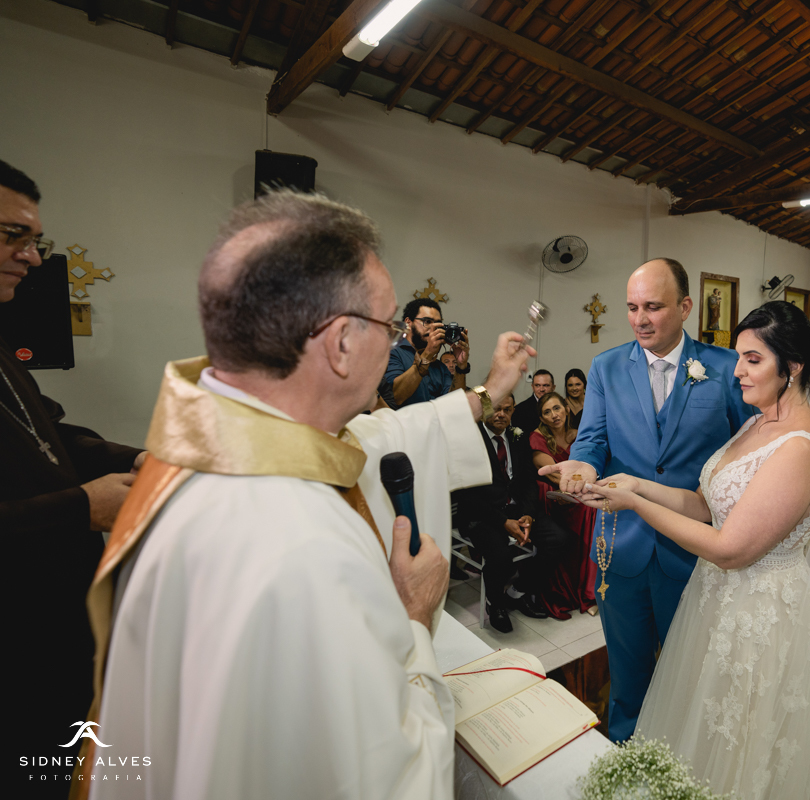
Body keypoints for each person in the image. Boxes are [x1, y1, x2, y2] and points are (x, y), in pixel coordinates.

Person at [83, 191, 534, 799]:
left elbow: (377, 436)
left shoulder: (215, 442)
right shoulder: (303, 553)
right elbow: (385, 777)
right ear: (342, 343)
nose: (396, 340)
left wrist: (486, 392)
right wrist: (414, 616)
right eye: (389, 322)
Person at [579, 301, 810, 800]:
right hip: (720, 606)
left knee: (746, 753)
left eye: (753, 360)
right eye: (738, 357)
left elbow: (729, 547)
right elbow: (705, 504)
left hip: (762, 619)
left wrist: (633, 504)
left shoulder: (800, 447)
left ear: (793, 367)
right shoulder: (758, 423)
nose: (736, 371)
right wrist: (636, 484)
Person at [536, 257, 754, 742]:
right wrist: (584, 464)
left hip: (696, 550)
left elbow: (748, 446)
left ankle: (688, 762)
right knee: (627, 676)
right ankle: (628, 763)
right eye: (633, 307)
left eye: (653, 307)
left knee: (696, 675)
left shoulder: (722, 369)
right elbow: (591, 438)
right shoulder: (607, 366)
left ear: (685, 306)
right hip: (623, 545)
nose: (640, 319)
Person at [0, 161, 148, 793]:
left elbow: (52, 432)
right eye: (12, 235)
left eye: (35, 240)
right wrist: (78, 509)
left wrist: (136, 458)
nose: (32, 258)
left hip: (50, 633)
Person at [452, 394, 571, 632]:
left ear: (513, 410)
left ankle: (518, 593)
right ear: (486, 410)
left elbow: (528, 481)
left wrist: (528, 514)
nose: (501, 415)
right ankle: (494, 603)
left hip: (516, 508)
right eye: (497, 409)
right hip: (482, 514)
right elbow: (468, 496)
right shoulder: (468, 441)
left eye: (507, 410)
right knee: (501, 556)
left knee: (559, 539)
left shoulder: (517, 437)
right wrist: (503, 521)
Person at [529, 392, 599, 619]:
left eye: (557, 408)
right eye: (547, 412)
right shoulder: (537, 438)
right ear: (542, 417)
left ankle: (593, 588)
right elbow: (555, 478)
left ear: (566, 408)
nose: (554, 415)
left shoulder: (578, 435)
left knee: (597, 508)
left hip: (579, 492)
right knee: (590, 509)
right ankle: (585, 593)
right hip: (555, 498)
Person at [377, 297, 470, 408]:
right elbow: (395, 397)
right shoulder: (392, 353)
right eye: (427, 322)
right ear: (408, 323)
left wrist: (461, 366)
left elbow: (455, 405)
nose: (433, 328)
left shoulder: (439, 367)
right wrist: (427, 355)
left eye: (438, 324)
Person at [511, 368, 554, 435]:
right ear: (532, 387)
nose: (541, 389)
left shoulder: (561, 407)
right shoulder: (520, 410)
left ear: (553, 387)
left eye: (545, 385)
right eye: (537, 385)